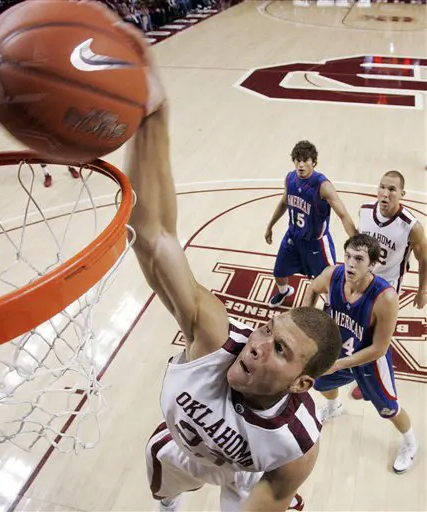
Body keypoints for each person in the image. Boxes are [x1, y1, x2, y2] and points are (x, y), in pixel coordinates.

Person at [121, 22, 343, 512]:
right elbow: (152, 237)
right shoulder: (215, 337)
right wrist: (152, 118)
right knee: (161, 485)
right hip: (184, 451)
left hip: (247, 473)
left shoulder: (295, 442)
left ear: (303, 382)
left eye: (281, 350)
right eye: (269, 330)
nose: (259, 345)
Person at [303, 233, 418, 474]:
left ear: (373, 265)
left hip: (369, 360)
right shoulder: (332, 275)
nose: (351, 263)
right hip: (340, 349)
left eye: (359, 259)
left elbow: (380, 348)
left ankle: (410, 443)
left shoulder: (385, 297)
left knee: (389, 409)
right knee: (321, 384)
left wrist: (339, 364)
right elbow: (312, 288)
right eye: (348, 256)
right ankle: (334, 406)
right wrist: (302, 320)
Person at [351, 170, 427, 400]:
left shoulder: (411, 227)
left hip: (388, 286)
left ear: (402, 194)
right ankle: (356, 368)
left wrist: (422, 289)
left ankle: (372, 380)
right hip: (363, 278)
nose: (385, 193)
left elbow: (424, 258)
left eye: (392, 189)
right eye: (382, 187)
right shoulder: (365, 210)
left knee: (377, 334)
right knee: (356, 325)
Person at [265, 142, 357, 307]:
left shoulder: (323, 186)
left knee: (329, 280)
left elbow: (343, 214)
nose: (300, 164)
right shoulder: (290, 178)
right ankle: (284, 291)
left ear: (313, 162)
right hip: (293, 238)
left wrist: (356, 240)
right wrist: (270, 225)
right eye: (297, 160)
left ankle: (330, 305)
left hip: (316, 242)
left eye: (305, 160)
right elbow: (283, 203)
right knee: (278, 273)